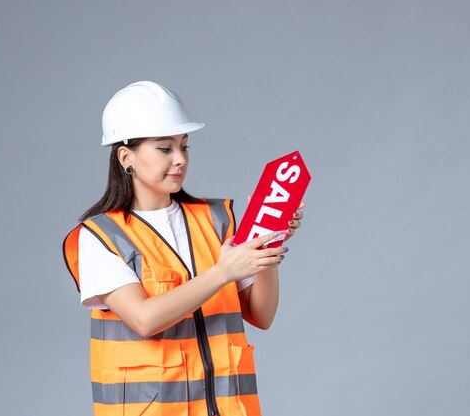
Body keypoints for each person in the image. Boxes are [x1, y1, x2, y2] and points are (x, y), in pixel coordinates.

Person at [63, 81, 304, 416]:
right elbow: (143, 320)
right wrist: (223, 272)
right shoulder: (100, 236)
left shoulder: (220, 219)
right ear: (125, 156)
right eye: (165, 149)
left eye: (184, 147)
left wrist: (269, 244)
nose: (179, 159)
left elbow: (261, 316)